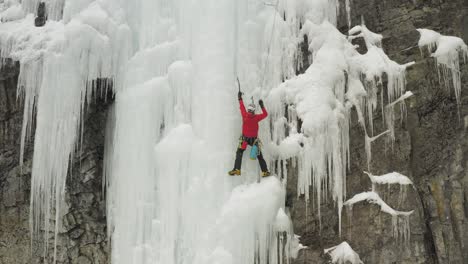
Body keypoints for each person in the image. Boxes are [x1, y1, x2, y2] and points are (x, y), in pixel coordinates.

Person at [228, 91, 271, 177]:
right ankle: (265, 171)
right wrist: (262, 105)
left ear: (248, 110)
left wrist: (239, 98)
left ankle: (237, 169)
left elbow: (241, 107)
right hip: (254, 140)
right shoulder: (256, 118)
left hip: (244, 139)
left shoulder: (245, 115)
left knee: (239, 153)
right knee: (259, 156)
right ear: (254, 111)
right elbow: (265, 114)